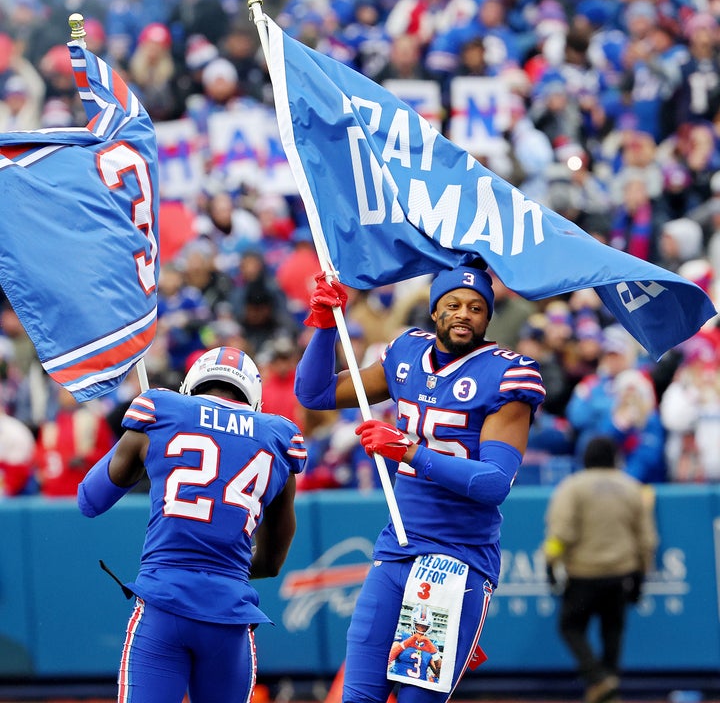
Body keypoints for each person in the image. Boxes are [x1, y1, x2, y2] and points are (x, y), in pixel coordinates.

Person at [294, 262, 546, 702]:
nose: (464, 313)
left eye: (475, 307)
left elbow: (494, 483)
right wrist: (324, 327)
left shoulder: (507, 373)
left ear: (488, 318)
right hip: (398, 549)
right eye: (453, 304)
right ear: (434, 311)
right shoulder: (405, 353)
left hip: (456, 560)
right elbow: (314, 394)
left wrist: (409, 451)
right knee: (358, 697)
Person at [76, 347, 307, 703]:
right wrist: (219, 571)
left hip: (163, 605)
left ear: (191, 384)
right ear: (254, 399)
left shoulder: (161, 411)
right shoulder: (278, 438)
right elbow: (272, 563)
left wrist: (147, 452)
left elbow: (89, 500)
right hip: (229, 615)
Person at [543, 435, 658, 703]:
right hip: (621, 574)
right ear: (615, 458)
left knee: (570, 626)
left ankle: (598, 680)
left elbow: (560, 533)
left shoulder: (572, 488)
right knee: (612, 631)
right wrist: (640, 576)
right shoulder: (632, 488)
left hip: (583, 574)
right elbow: (646, 539)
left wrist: (551, 565)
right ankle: (609, 683)